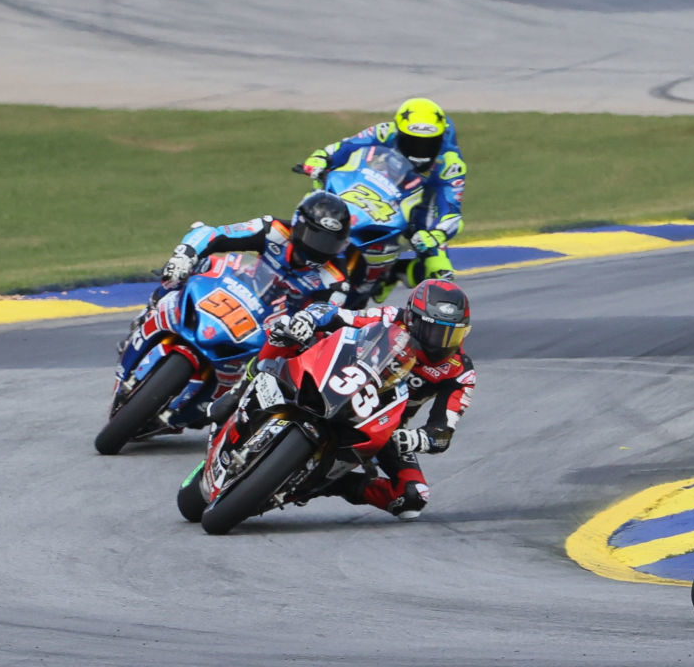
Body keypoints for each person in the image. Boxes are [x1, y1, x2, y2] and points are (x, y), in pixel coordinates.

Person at [251, 279, 477, 521]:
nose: (441, 342)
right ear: (412, 318)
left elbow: (443, 431)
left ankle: (323, 484)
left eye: (451, 334)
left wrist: (416, 439)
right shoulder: (391, 317)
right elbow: (334, 314)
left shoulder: (460, 371)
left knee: (413, 498)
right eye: (434, 331)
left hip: (385, 425)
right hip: (337, 380)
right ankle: (241, 390)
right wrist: (309, 320)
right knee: (286, 330)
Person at [120, 191, 353, 393]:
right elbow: (213, 234)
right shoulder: (273, 229)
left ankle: (234, 406)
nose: (318, 248)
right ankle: (144, 318)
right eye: (315, 237)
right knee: (195, 267)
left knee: (296, 358)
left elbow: (328, 311)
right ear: (298, 225)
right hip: (238, 290)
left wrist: (306, 321)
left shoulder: (336, 279)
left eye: (328, 244)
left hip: (274, 326)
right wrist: (185, 254)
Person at [297, 97, 465, 303]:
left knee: (440, 273)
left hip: (423, 202)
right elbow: (346, 146)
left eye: (429, 144)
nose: (420, 151)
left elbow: (451, 210)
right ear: (400, 132)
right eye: (413, 142)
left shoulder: (450, 164)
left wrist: (436, 234)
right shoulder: (385, 131)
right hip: (382, 187)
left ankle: (395, 274)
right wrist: (320, 158)